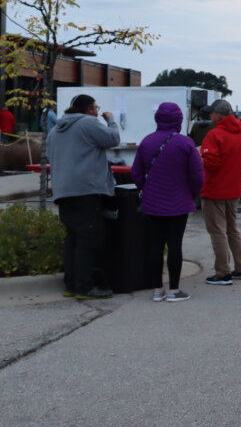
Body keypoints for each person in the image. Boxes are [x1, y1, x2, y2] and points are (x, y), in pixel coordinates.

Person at [48, 94, 120, 300]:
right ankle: (85, 287)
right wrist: (111, 120)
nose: (97, 111)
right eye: (96, 108)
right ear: (89, 109)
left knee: (73, 238)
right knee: (89, 239)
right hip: (85, 190)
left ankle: (71, 284)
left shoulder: (56, 130)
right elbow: (112, 139)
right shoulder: (88, 123)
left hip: (63, 191)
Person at [131, 102, 204, 303]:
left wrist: (146, 188)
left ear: (158, 119)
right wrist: (192, 194)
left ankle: (157, 289)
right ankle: (174, 289)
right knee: (175, 245)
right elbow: (197, 176)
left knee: (154, 245)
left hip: (152, 203)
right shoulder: (185, 143)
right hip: (179, 203)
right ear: (178, 120)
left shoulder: (147, 141)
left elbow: (136, 174)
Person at [200, 99, 241, 285]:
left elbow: (211, 163)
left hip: (215, 189)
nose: (210, 116)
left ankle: (223, 272)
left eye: (211, 113)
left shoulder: (214, 134)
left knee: (218, 231)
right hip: (234, 188)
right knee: (232, 229)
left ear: (218, 115)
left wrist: (199, 158)